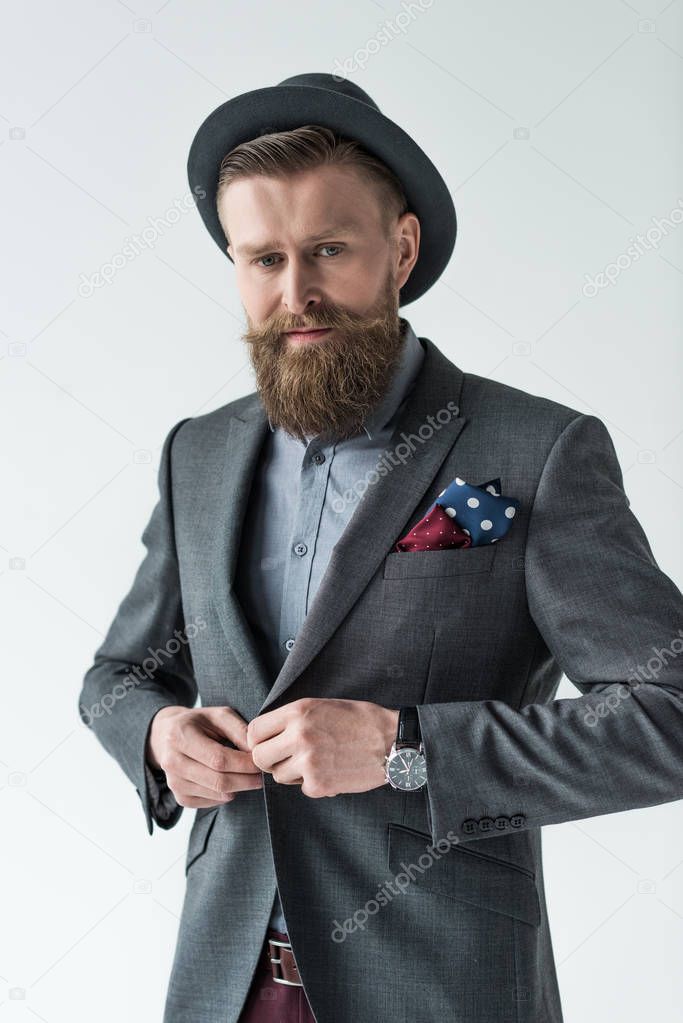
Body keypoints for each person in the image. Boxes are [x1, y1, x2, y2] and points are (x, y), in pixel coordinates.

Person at [78, 73, 683, 1023]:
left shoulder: (536, 449)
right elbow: (118, 672)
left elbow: (669, 717)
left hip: (442, 987)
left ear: (399, 249)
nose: (295, 293)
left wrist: (408, 749)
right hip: (223, 985)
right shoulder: (195, 454)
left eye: (327, 250)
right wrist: (157, 738)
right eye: (262, 259)